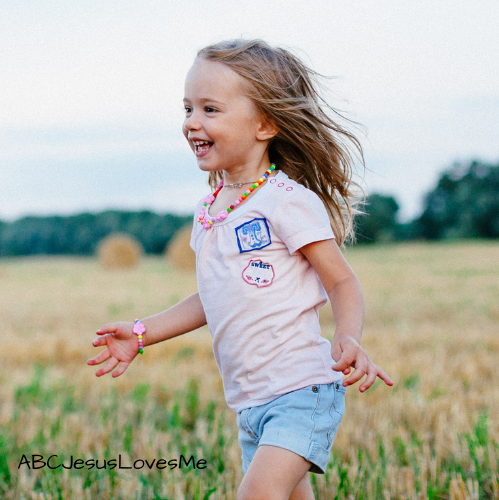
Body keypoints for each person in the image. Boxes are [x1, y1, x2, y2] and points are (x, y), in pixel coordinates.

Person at [88, 39, 393, 500]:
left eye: (211, 109)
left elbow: (340, 279)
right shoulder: (210, 210)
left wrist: (348, 336)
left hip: (300, 392)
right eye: (188, 108)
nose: (192, 122)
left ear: (265, 123)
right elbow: (212, 296)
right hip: (250, 403)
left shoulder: (287, 202)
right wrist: (142, 331)